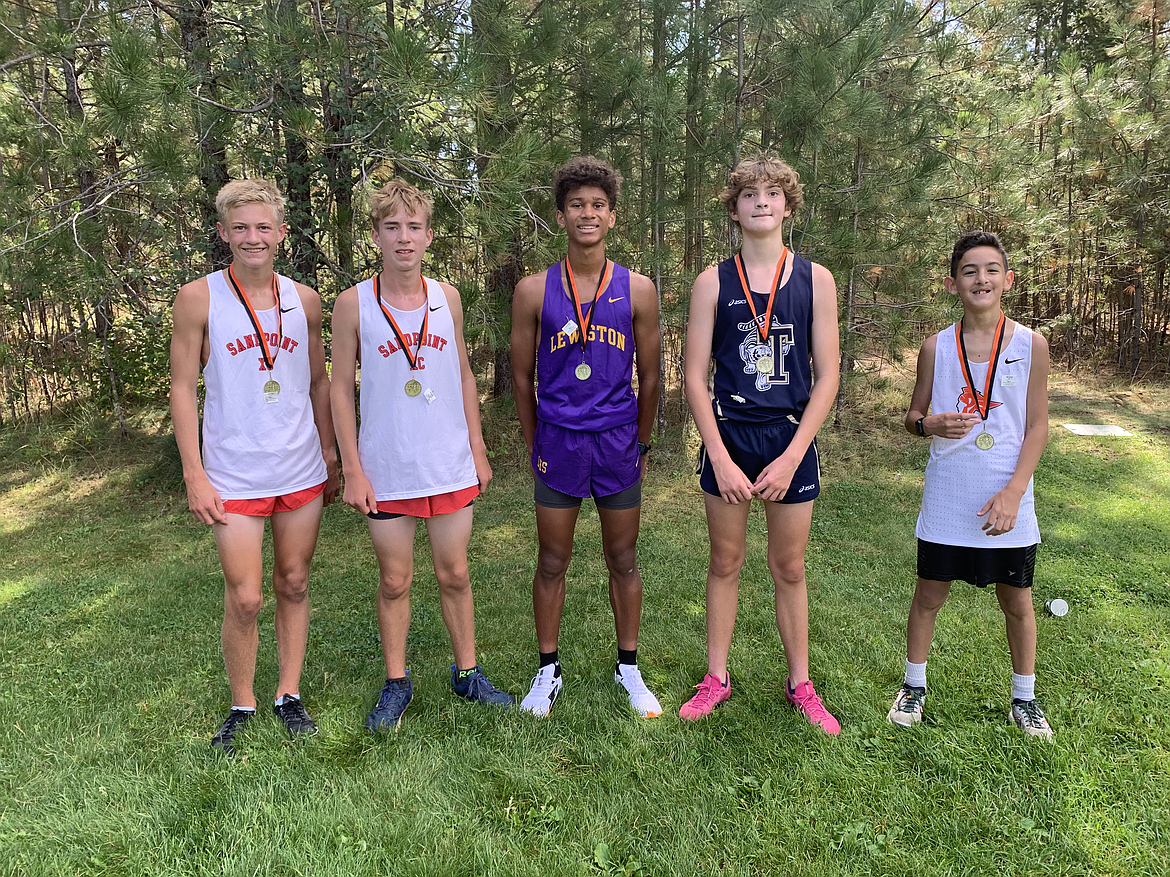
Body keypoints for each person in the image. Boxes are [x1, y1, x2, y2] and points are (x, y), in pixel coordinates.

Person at [331, 178, 514, 732]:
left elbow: (461, 372)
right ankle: (396, 681)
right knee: (395, 579)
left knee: (455, 572)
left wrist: (478, 447)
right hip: (385, 466)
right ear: (376, 236)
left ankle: (467, 673)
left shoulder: (447, 298)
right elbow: (340, 388)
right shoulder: (352, 304)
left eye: (413, 227)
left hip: (446, 459)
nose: (403, 238)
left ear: (429, 236)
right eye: (392, 228)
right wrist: (353, 469)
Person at [170, 178, 339, 756]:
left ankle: (287, 693)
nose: (252, 237)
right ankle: (242, 701)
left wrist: (332, 451)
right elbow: (181, 386)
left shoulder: (305, 299)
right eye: (240, 227)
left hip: (299, 467)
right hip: (232, 472)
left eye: (263, 226)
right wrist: (193, 472)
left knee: (294, 582)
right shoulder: (199, 298)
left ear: (282, 234)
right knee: (245, 596)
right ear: (222, 233)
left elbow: (318, 382)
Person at [679, 155, 841, 734]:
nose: (763, 202)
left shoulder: (815, 279)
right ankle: (715, 678)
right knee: (725, 560)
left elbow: (828, 375)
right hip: (730, 436)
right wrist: (718, 455)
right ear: (734, 208)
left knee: (789, 567)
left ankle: (801, 683)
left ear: (789, 206)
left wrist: (794, 454)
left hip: (789, 436)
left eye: (774, 193)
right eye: (750, 194)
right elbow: (694, 376)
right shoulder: (711, 283)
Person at [510, 156, 663, 718]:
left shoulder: (638, 289)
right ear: (560, 216)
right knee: (553, 560)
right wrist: (536, 444)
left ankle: (629, 668)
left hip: (617, 442)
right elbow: (522, 378)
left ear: (613, 216)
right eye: (576, 205)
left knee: (623, 557)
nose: (587, 214)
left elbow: (653, 377)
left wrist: (640, 443)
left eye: (597, 205)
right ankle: (547, 670)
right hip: (560, 443)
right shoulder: (533, 290)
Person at [887, 230, 1053, 738]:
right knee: (928, 596)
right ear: (951, 283)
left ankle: (1023, 698)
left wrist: (1014, 491)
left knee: (1017, 600)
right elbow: (912, 417)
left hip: (1008, 495)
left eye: (990, 270)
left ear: (1007, 279)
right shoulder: (935, 347)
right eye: (969, 271)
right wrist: (929, 425)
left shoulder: (1031, 344)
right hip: (949, 493)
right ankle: (914, 686)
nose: (981, 279)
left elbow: (1037, 426)